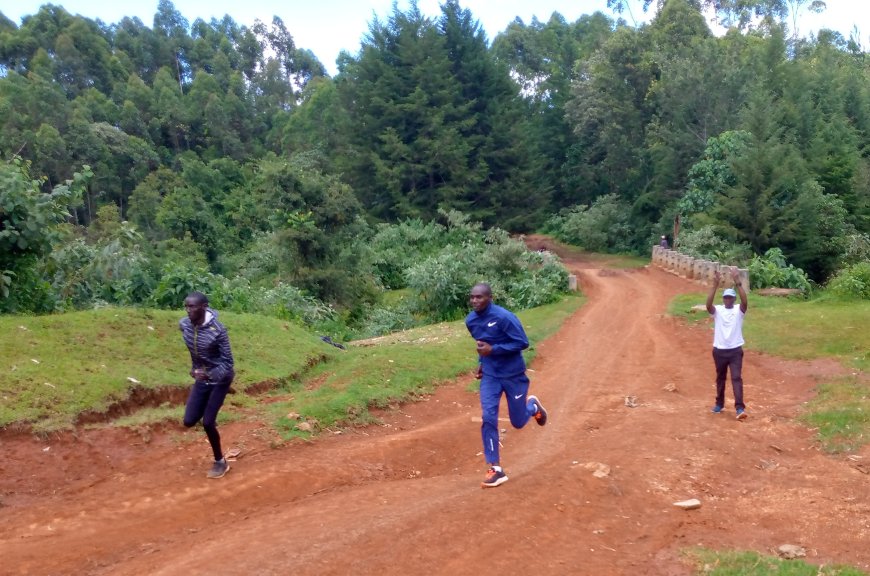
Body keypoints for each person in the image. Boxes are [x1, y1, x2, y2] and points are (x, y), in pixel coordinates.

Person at [465, 282, 548, 488]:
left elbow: (522, 343)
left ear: (490, 297)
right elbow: (481, 345)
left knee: (518, 422)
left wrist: (494, 350)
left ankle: (533, 407)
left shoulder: (504, 317)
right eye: (472, 297)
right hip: (491, 377)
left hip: (513, 375)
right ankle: (495, 468)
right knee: (488, 416)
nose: (475, 300)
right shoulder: (471, 321)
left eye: (479, 297)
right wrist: (482, 364)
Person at [180, 291, 235, 479]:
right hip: (202, 379)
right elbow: (194, 352)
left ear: (203, 307)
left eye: (192, 306)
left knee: (208, 422)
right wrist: (195, 369)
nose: (188, 310)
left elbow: (228, 363)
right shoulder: (185, 325)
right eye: (186, 306)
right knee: (188, 421)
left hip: (221, 379)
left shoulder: (218, 330)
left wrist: (210, 373)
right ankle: (210, 403)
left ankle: (220, 461)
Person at [705, 268, 748, 420]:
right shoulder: (718, 310)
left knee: (736, 378)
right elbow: (708, 305)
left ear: (734, 300)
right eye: (726, 298)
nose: (728, 300)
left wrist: (738, 282)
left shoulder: (739, 310)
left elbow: (745, 301)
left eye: (730, 298)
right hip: (719, 350)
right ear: (723, 299)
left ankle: (740, 408)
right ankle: (719, 403)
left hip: (735, 350)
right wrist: (715, 285)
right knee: (720, 377)